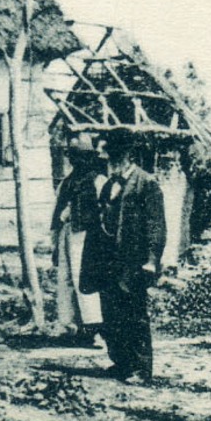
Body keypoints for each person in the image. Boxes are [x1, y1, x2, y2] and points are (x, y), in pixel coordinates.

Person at [87, 129, 166, 384]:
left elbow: (157, 225)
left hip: (133, 261)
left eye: (106, 151)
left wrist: (152, 260)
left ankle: (141, 369)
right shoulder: (109, 183)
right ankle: (121, 362)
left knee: (134, 314)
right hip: (107, 259)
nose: (102, 155)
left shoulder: (147, 183)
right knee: (111, 313)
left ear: (123, 153)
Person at [50, 138, 105, 344]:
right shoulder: (66, 182)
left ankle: (93, 328)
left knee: (84, 278)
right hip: (67, 232)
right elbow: (56, 212)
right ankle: (70, 326)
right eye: (72, 156)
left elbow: (105, 212)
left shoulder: (98, 181)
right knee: (65, 279)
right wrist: (55, 242)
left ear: (89, 157)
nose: (76, 160)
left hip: (86, 234)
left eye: (81, 155)